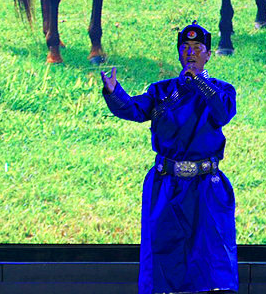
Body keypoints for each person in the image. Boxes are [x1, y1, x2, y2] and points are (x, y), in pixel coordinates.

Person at [101, 22, 238, 294]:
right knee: (164, 262)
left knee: (211, 264)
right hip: (167, 185)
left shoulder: (222, 90)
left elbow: (222, 114)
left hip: (205, 187)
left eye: (197, 48)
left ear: (208, 54)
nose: (191, 53)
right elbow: (134, 110)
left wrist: (198, 82)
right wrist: (114, 91)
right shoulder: (161, 92)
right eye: (185, 48)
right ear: (178, 53)